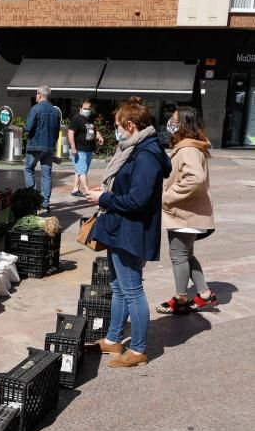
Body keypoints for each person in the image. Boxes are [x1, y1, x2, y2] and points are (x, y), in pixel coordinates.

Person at [85, 96, 172, 367]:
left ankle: (138, 350)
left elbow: (138, 200)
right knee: (118, 287)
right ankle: (113, 340)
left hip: (132, 231)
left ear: (131, 125)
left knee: (132, 290)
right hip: (119, 227)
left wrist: (104, 199)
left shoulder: (147, 154)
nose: (116, 129)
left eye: (118, 125)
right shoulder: (133, 148)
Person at [157, 106, 218, 314]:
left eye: (174, 120)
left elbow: (195, 178)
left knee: (179, 256)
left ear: (184, 124)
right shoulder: (189, 147)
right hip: (187, 213)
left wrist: (168, 196)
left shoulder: (188, 149)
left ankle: (181, 298)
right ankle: (205, 294)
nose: (170, 124)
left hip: (184, 213)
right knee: (187, 255)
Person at [24, 85, 61, 211]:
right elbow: (57, 132)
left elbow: (28, 128)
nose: (35, 96)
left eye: (36, 93)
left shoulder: (35, 109)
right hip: (49, 148)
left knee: (29, 170)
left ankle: (33, 200)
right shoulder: (55, 111)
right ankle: (45, 203)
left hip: (34, 146)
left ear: (40, 94)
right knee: (46, 175)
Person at [68, 99, 103, 198]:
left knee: (80, 170)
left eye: (88, 108)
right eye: (85, 108)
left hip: (89, 149)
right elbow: (70, 133)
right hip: (79, 149)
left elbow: (94, 129)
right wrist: (73, 148)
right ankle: (87, 191)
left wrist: (99, 136)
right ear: (80, 108)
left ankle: (75, 189)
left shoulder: (90, 117)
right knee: (82, 171)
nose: (87, 110)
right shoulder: (76, 118)